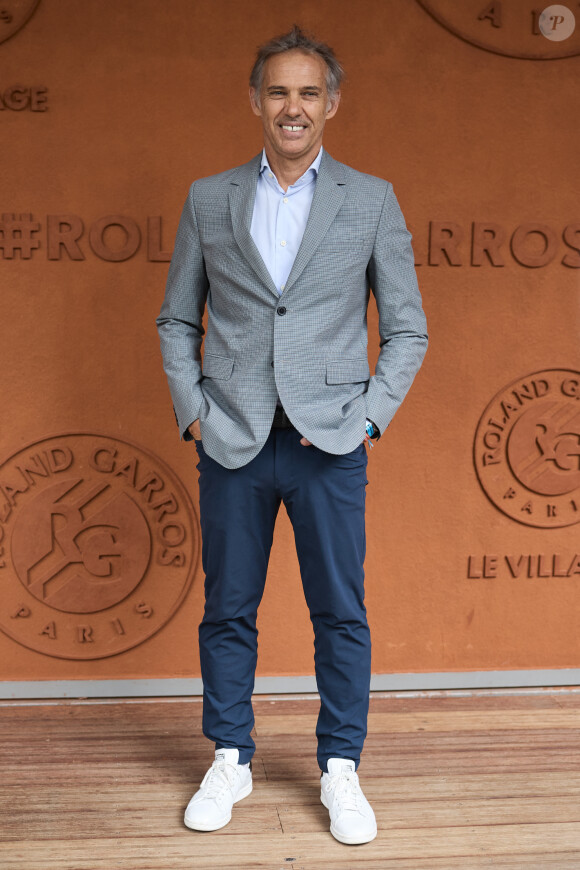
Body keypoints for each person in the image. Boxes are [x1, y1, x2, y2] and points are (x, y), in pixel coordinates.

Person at [156, 25, 428, 845]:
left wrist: (371, 415)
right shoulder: (210, 198)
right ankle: (231, 756)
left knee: (340, 612)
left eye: (309, 93)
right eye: (279, 92)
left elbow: (408, 329)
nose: (293, 107)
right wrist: (193, 408)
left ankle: (340, 766)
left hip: (330, 443)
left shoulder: (372, 199)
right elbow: (177, 318)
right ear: (255, 101)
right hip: (232, 439)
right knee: (228, 610)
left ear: (331, 104)